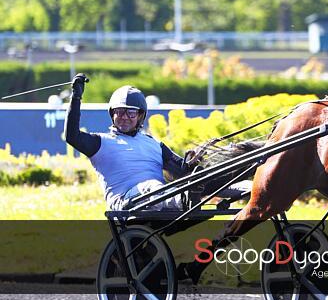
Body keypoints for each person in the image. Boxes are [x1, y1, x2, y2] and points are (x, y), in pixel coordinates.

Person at [65, 73, 250, 211]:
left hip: (160, 198)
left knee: (201, 179)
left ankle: (251, 189)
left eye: (131, 113)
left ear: (140, 116)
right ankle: (184, 201)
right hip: (126, 203)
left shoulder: (154, 144)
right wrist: (76, 98)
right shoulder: (100, 142)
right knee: (151, 186)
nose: (124, 117)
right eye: (119, 112)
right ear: (112, 114)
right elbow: (72, 136)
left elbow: (182, 171)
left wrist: (191, 164)